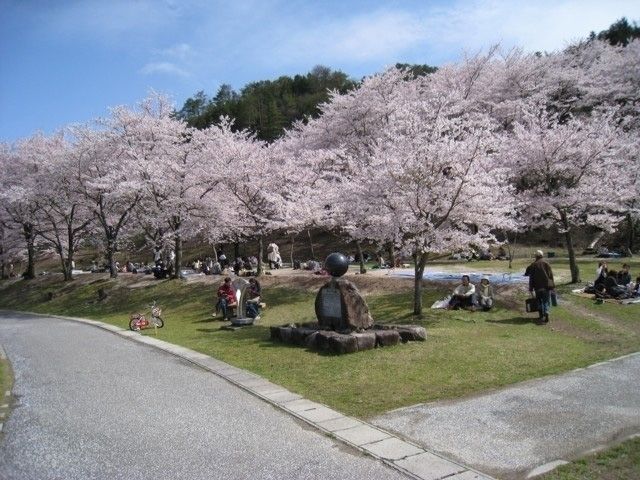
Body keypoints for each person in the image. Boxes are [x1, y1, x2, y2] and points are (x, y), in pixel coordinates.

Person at [528, 250, 555, 323]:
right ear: (542, 255)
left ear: (536, 256)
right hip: (546, 286)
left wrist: (530, 288)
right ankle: (546, 311)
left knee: (539, 301)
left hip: (537, 287)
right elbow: (550, 276)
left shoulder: (533, 265)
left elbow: (531, 277)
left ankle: (541, 316)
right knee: (546, 301)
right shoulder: (546, 264)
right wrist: (552, 286)